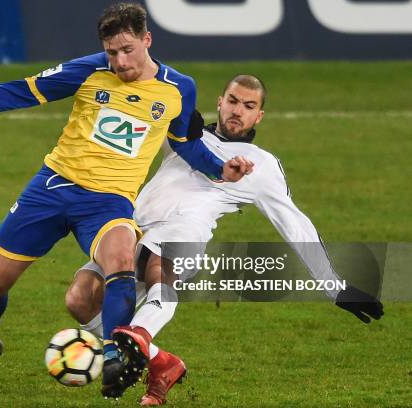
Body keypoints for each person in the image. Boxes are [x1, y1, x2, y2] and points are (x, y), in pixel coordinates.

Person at [0, 2, 252, 397]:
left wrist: (218, 169)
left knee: (121, 260)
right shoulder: (89, 70)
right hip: (53, 188)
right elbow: (22, 91)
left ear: (147, 40)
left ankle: (113, 356)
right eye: (112, 53)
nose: (120, 61)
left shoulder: (178, 88)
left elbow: (185, 142)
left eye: (128, 50)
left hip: (108, 203)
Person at [66, 74, 384, 405]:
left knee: (158, 263)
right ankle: (162, 362)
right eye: (233, 101)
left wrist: (333, 287)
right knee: (80, 298)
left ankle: (142, 335)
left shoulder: (261, 164)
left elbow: (294, 223)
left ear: (258, 116)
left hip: (185, 231)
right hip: (134, 227)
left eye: (249, 106)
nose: (238, 111)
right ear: (220, 101)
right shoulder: (186, 135)